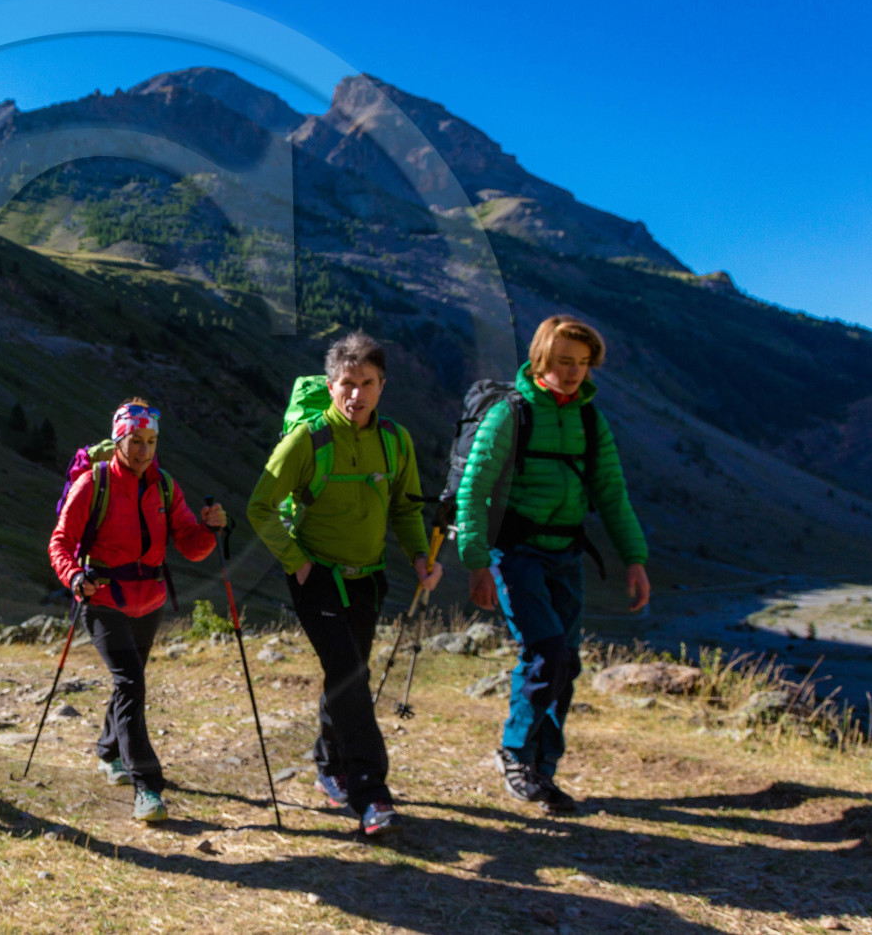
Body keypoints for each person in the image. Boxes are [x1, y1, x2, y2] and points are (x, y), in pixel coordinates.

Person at [246, 331, 440, 838]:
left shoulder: (396, 440)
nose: (357, 394)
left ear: (382, 385)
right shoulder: (308, 441)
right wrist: (297, 562)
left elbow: (405, 507)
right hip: (318, 577)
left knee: (346, 673)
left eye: (367, 383)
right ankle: (371, 794)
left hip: (369, 579)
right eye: (347, 384)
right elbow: (259, 507)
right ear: (331, 386)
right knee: (351, 676)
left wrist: (420, 557)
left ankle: (329, 764)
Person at [455, 314, 650, 815]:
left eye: (583, 364)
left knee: (567, 661)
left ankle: (544, 769)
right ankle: (515, 754)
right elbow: (474, 490)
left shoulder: (589, 419)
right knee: (545, 652)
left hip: (566, 554)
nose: (574, 372)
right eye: (565, 361)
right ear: (542, 358)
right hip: (516, 553)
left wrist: (635, 560)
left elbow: (611, 492)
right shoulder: (510, 414)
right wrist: (478, 564)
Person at [48, 399, 225, 822]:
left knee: (131, 682)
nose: (144, 450)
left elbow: (191, 546)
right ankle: (147, 786)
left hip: (150, 602)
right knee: (131, 684)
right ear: (119, 438)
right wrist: (75, 577)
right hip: (103, 599)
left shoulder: (164, 485)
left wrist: (211, 529)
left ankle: (109, 751)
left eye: (151, 441)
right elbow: (60, 542)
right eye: (135, 440)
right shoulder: (93, 483)